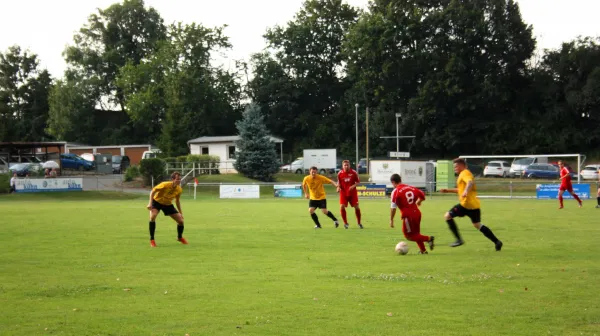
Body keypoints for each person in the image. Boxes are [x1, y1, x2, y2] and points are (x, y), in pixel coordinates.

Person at [440, 158, 503, 251]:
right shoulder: (464, 173)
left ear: (462, 165)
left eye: (456, 166)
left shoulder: (465, 173)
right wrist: (448, 190)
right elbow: (461, 189)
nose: (455, 168)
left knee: (447, 216)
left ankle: (459, 239)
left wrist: (466, 191)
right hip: (474, 206)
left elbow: (470, 182)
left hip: (465, 204)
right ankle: (497, 242)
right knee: (478, 225)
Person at [389, 173, 434, 254]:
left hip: (408, 216)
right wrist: (419, 201)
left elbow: (393, 208)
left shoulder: (395, 191)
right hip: (417, 213)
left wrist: (391, 220)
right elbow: (422, 195)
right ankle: (423, 250)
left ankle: (428, 239)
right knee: (416, 234)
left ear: (393, 182)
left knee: (409, 236)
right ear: (400, 180)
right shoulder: (411, 187)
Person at [146, 171, 187, 247]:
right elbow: (152, 191)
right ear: (173, 179)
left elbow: (177, 201)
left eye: (180, 179)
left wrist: (180, 213)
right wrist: (150, 203)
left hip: (167, 205)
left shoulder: (179, 189)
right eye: (177, 179)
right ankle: (152, 240)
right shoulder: (164, 185)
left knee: (181, 221)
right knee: (152, 217)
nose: (179, 181)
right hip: (157, 202)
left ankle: (180, 237)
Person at [337, 160, 363, 229]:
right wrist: (338, 188)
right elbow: (339, 183)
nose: (346, 166)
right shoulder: (340, 173)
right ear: (342, 166)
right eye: (345, 165)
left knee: (357, 207)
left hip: (352, 193)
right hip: (343, 192)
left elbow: (358, 182)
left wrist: (353, 186)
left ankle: (359, 223)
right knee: (342, 206)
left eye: (347, 165)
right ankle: (345, 223)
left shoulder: (354, 172)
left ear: (349, 165)